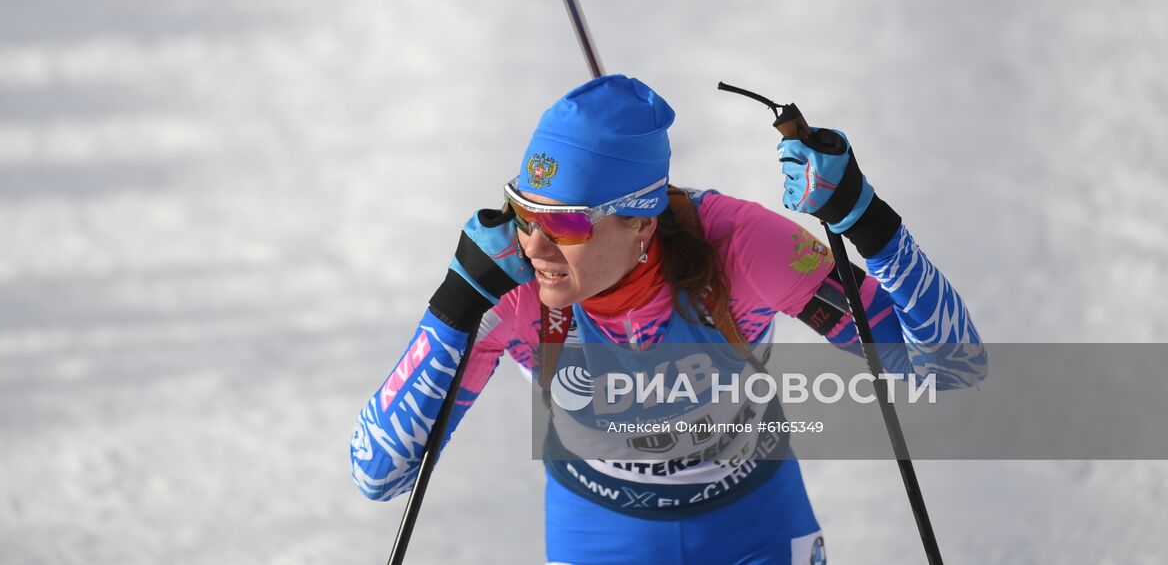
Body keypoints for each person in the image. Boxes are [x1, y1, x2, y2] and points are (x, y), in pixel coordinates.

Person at [351, 75, 985, 565]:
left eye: (566, 223)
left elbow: (952, 367)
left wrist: (865, 218)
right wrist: (457, 303)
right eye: (522, 211)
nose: (534, 246)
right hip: (602, 531)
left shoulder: (743, 247)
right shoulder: (510, 288)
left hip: (753, 526)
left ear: (641, 223)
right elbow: (378, 475)